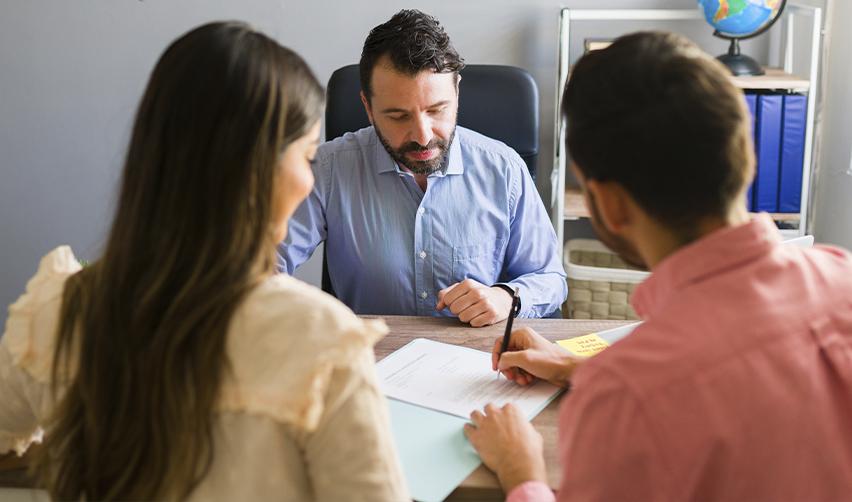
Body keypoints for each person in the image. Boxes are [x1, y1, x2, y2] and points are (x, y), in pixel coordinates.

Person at [0, 22, 407, 501]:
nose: (308, 179)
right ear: (254, 173)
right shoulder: (322, 345)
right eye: (306, 155)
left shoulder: (56, 312)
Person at [463, 31, 852, 501]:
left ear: (608, 204)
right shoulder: (841, 273)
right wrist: (577, 367)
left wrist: (520, 471)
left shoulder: (626, 398)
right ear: (745, 160)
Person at [278, 9, 566, 326]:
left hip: (477, 362)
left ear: (456, 92)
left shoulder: (504, 169)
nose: (423, 136)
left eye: (437, 110)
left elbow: (550, 277)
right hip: (369, 360)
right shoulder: (327, 170)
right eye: (399, 116)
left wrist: (507, 297)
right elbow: (263, 269)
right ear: (368, 108)